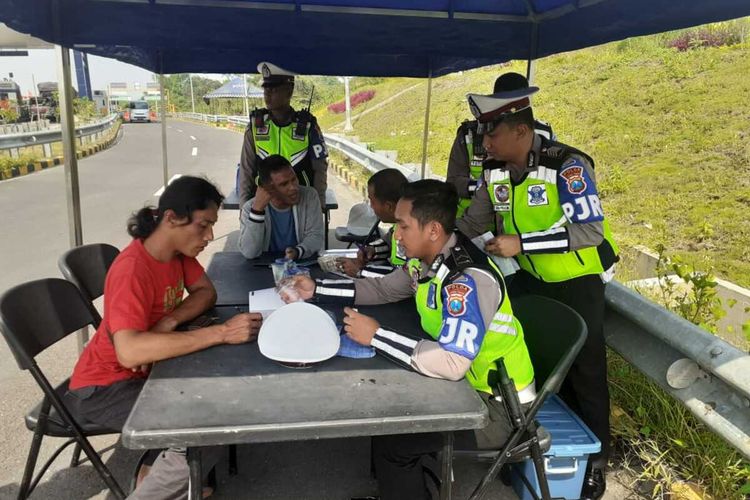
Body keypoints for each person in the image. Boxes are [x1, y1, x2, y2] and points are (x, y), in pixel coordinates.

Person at [284, 180, 535, 500]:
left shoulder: (465, 281)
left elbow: (453, 363)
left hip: (497, 409)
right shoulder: (427, 258)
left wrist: (376, 335)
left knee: (396, 443)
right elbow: (386, 289)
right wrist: (316, 290)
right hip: (468, 389)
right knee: (386, 409)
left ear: (432, 229)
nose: (396, 234)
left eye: (403, 225)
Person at [455, 82, 619, 500]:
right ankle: (535, 450)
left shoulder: (568, 165)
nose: (485, 142)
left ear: (521, 131)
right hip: (532, 278)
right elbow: (474, 223)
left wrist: (521, 243)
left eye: (492, 134)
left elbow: (588, 231)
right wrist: (433, 235)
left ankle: (596, 461)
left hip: (578, 279)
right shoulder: (494, 172)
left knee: (586, 371)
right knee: (537, 366)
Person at [67, 176, 262, 499]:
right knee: (208, 430)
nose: (210, 236)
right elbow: (129, 352)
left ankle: (159, 473)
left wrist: (169, 321)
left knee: (221, 400)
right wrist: (222, 333)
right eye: (203, 226)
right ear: (171, 218)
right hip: (105, 387)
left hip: (147, 371)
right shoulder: (132, 269)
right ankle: (158, 484)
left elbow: (205, 292)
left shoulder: (176, 254)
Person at [447, 72, 554, 219]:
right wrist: (483, 188)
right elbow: (453, 182)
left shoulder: (544, 133)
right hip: (475, 221)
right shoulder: (469, 134)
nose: (486, 143)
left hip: (517, 223)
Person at [239, 61, 329, 210]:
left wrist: (318, 206)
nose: (267, 94)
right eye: (266, 89)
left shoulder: (308, 126)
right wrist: (244, 208)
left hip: (301, 204)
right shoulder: (256, 126)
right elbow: (246, 170)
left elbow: (320, 170)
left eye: (273, 89)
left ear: (289, 90)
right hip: (264, 206)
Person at [238, 154, 324, 260]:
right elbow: (249, 252)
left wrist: (297, 252)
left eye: (294, 179)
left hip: (300, 263)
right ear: (268, 189)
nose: (293, 187)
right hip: (263, 268)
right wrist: (257, 211)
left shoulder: (309, 196)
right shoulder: (250, 208)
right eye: (284, 184)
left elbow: (316, 237)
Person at [339, 168, 409, 278]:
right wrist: (373, 250)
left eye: (372, 201)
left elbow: (405, 277)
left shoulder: (414, 232)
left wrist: (361, 272)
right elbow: (389, 242)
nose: (371, 206)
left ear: (388, 206)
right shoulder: (398, 225)